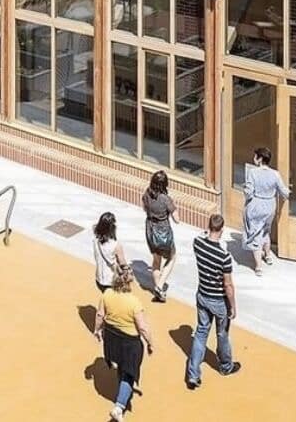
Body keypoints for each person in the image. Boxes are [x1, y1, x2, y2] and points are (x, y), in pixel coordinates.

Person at [186, 213, 241, 389]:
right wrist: (233, 306)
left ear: (209, 227)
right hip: (219, 301)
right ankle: (225, 366)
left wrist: (207, 231)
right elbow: (228, 285)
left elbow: (201, 235)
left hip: (202, 295)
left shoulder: (198, 244)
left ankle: (193, 374)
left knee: (201, 333)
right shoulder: (224, 257)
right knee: (222, 334)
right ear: (222, 230)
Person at [94, 267, 154, 421]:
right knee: (129, 373)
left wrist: (97, 330)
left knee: (121, 365)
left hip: (112, 338)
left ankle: (122, 392)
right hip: (130, 343)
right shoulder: (134, 302)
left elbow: (100, 315)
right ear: (130, 282)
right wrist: (150, 343)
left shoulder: (107, 294)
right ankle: (119, 407)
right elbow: (142, 327)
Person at [243, 146, 289, 274]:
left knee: (255, 235)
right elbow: (284, 191)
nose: (254, 158)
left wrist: (245, 190)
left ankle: (258, 266)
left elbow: (249, 192)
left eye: (255, 156)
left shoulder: (253, 173)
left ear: (260, 159)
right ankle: (268, 256)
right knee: (265, 230)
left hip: (256, 205)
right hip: (270, 205)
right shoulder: (275, 174)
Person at [141, 169, 177, 301]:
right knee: (172, 257)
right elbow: (177, 219)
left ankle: (158, 289)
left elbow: (144, 208)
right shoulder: (166, 199)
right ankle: (160, 285)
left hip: (150, 230)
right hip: (163, 232)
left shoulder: (146, 194)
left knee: (156, 260)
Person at [93, 211, 129, 293]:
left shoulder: (95, 241)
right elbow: (123, 264)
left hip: (99, 280)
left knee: (106, 297)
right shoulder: (116, 245)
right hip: (112, 282)